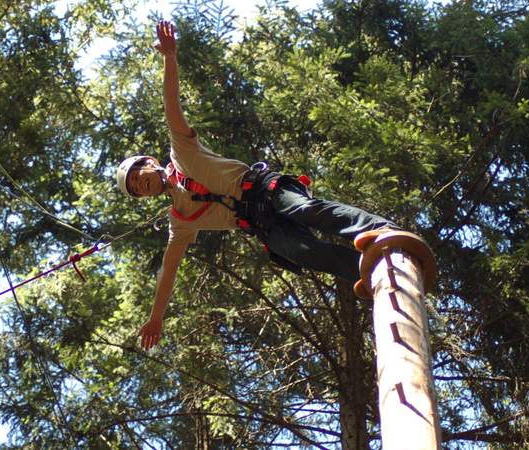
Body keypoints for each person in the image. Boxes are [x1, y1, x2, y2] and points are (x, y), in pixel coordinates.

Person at [122, 20, 400, 351]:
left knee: (305, 209)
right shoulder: (179, 219)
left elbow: (171, 104)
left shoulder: (181, 151)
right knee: (301, 252)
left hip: (265, 189)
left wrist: (170, 58)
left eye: (140, 176)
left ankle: (381, 230)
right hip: (260, 224)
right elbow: (168, 270)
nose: (144, 184)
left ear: (150, 162)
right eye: (139, 189)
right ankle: (373, 270)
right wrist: (156, 317)